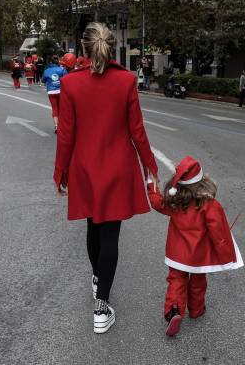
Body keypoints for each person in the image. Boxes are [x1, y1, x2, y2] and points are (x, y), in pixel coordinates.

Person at [54, 22, 159, 334]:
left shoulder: (70, 83)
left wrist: (60, 172)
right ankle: (101, 307)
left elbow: (66, 135)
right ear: (112, 47)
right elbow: (137, 130)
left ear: (83, 48)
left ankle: (98, 278)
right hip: (117, 168)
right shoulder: (126, 80)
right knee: (110, 234)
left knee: (92, 226)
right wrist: (150, 166)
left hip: (84, 168)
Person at [147, 156, 243, 337]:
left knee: (176, 281)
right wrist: (225, 256)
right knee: (198, 281)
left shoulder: (175, 201)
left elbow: (157, 203)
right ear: (202, 181)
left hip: (177, 254)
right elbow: (219, 233)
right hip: (199, 255)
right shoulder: (209, 204)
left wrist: (151, 185)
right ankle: (197, 310)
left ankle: (174, 311)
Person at [42, 55, 67, 132]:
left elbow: (43, 80)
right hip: (61, 91)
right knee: (62, 108)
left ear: (51, 62)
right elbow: (66, 79)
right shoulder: (62, 69)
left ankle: (56, 125)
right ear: (58, 61)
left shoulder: (47, 70)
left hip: (51, 91)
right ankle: (63, 125)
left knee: (55, 109)